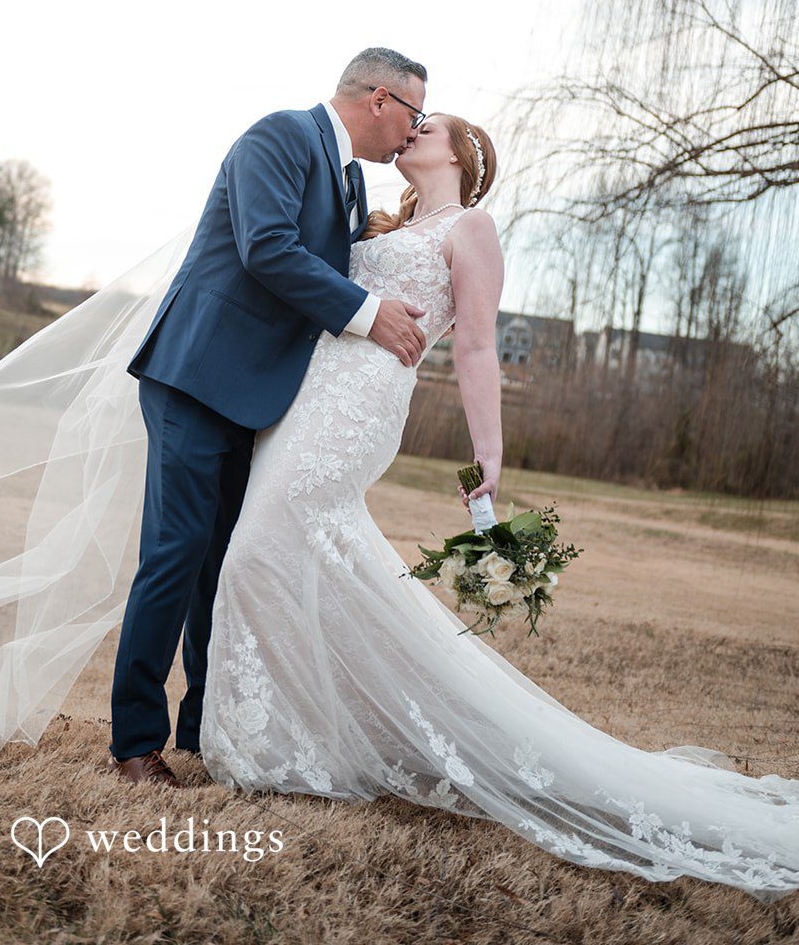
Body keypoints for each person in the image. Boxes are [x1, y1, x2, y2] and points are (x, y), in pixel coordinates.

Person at [196, 114, 799, 900]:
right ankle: (308, 740)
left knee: (256, 554)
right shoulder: (373, 219)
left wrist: (491, 453)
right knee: (289, 555)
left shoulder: (470, 226)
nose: (409, 133)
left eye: (426, 126)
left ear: (461, 153)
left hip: (361, 405)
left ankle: (281, 746)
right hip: (303, 399)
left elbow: (476, 345)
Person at [108, 47, 430, 785]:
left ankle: (200, 730)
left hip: (257, 395)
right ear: (379, 99)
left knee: (224, 562)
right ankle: (134, 744)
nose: (410, 135)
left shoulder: (349, 180)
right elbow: (267, 249)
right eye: (411, 114)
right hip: (194, 376)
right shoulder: (280, 137)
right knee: (176, 552)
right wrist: (367, 314)